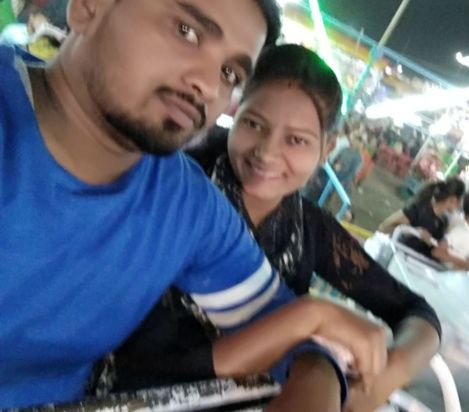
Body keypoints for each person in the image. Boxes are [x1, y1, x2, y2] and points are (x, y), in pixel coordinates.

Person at [0, 1, 387, 409]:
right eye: (187, 32)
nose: (208, 85)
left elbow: (291, 331)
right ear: (88, 7)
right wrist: (312, 321)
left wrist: (316, 356)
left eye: (230, 73)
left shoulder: (184, 204)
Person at [179, 44, 441, 411]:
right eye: (254, 124)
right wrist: (311, 322)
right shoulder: (181, 185)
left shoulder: (309, 229)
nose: (266, 153)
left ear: (327, 149)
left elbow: (417, 312)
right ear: (235, 113)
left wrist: (385, 377)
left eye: (296, 140)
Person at [379, 178, 465, 260]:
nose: (461, 204)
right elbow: (384, 227)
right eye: (461, 200)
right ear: (453, 199)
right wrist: (413, 231)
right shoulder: (418, 210)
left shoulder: (442, 222)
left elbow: (433, 250)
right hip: (396, 258)